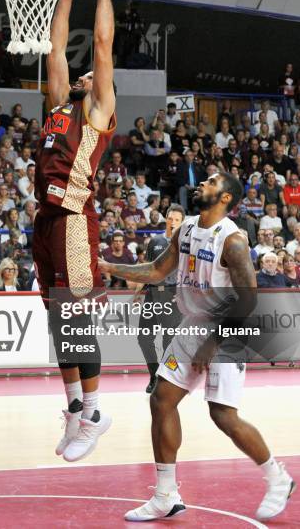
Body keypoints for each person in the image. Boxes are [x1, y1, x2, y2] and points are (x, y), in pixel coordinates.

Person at [99, 171, 295, 522]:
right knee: (161, 399)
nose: (203, 182)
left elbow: (247, 301)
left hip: (228, 329)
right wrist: (110, 266)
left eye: (212, 182)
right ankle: (165, 495)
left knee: (222, 415)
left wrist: (213, 342)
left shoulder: (232, 241)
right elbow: (158, 270)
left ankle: (277, 478)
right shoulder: (186, 227)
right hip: (193, 325)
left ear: (224, 199)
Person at [32, 0, 116, 464]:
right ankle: (75, 408)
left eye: (94, 74)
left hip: (74, 221)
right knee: (57, 319)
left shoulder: (99, 109)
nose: (86, 73)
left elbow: (101, 45)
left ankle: (96, 413)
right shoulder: (61, 103)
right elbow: (57, 48)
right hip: (45, 220)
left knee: (76, 321)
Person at [134, 204, 185, 393]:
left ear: (182, 222)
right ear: (166, 218)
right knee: (143, 337)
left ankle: (165, 378)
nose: (173, 222)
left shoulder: (185, 245)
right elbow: (148, 267)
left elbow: (191, 272)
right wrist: (138, 291)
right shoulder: (154, 240)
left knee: (168, 340)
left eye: (177, 220)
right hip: (152, 293)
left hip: (172, 295)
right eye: (170, 218)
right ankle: (154, 374)